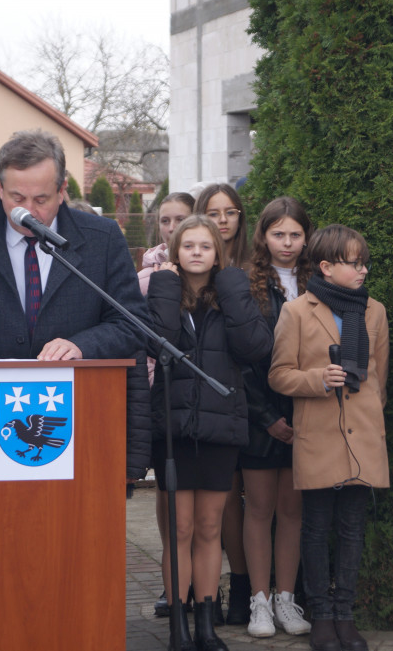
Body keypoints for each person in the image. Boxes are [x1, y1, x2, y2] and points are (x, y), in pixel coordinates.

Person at [0, 129, 151, 480]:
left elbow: (131, 322)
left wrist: (80, 345)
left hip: (83, 425)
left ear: (62, 191)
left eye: (41, 199)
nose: (27, 211)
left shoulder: (102, 238)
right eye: (16, 197)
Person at [148, 214, 271, 651]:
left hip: (221, 428)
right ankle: (179, 627)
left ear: (218, 253)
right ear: (175, 252)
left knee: (208, 528)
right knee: (179, 530)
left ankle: (206, 623)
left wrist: (233, 286)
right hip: (176, 430)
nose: (197, 252)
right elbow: (157, 342)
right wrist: (164, 287)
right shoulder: (165, 294)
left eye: (206, 246)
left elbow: (255, 348)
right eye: (188, 245)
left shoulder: (234, 295)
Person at [269, 224, 389, 651]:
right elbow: (279, 375)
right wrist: (319, 378)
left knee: (353, 527)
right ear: (325, 266)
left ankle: (345, 615)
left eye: (364, 263)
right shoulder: (297, 311)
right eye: (353, 263)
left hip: (364, 438)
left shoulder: (374, 310)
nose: (362, 271)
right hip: (318, 436)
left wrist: (372, 419)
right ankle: (321, 614)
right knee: (316, 528)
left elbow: (379, 377)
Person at [240, 197, 313, 639]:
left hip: (306, 414)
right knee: (259, 509)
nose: (287, 243)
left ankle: (287, 599)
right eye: (278, 234)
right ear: (263, 237)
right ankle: (259, 601)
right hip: (259, 415)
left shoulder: (316, 281)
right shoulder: (245, 284)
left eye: (295, 235)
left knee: (293, 512)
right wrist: (267, 416)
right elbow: (242, 359)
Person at [194, 182, 251, 623]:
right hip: (212, 402)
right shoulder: (189, 269)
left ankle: (249, 587)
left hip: (254, 398)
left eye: (231, 212)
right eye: (214, 212)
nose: (223, 221)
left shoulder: (254, 267)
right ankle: (216, 589)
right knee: (221, 504)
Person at [137, 191, 196, 618]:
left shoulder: (209, 272)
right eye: (165, 220)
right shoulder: (143, 278)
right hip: (158, 396)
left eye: (181, 219)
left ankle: (204, 585)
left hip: (199, 395)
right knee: (167, 492)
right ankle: (171, 583)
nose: (171, 228)